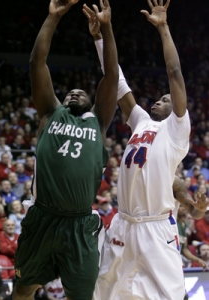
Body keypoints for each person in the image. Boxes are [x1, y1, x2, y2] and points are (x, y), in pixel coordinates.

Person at [84, 0, 206, 299]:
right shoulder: (140, 121)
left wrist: (163, 28)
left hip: (156, 230)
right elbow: (117, 79)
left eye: (166, 100)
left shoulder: (176, 131)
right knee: (104, 293)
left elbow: (175, 72)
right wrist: (101, 36)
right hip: (123, 225)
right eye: (161, 99)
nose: (160, 100)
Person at [12, 0, 118, 299]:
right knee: (23, 290)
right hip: (43, 217)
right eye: (69, 91)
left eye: (80, 91)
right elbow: (37, 63)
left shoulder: (98, 122)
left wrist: (106, 29)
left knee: (81, 296)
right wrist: (52, 17)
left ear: (91, 100)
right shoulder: (49, 113)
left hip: (80, 224)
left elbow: (111, 75)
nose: (73, 92)